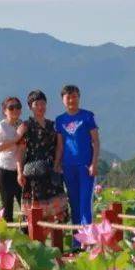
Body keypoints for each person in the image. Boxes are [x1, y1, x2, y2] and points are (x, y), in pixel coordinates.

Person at [17, 90, 67, 223]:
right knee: (35, 213)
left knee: (56, 213)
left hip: (51, 171)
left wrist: (57, 164)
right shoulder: (25, 126)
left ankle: (55, 236)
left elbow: (59, 146)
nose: (40, 107)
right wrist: (19, 172)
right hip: (33, 173)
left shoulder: (53, 125)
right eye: (36, 104)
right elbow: (20, 151)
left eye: (43, 103)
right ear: (30, 107)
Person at [54, 85, 100, 231]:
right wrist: (56, 164)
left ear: (79, 97)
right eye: (68, 97)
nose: (71, 100)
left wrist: (94, 163)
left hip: (85, 166)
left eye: (74, 96)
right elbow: (60, 145)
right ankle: (77, 240)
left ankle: (87, 239)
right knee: (74, 204)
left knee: (85, 204)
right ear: (62, 100)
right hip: (68, 166)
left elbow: (96, 141)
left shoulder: (87, 116)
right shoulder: (60, 120)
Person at [0, 97, 25, 222]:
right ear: (5, 111)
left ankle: (27, 233)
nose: (15, 110)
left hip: (20, 171)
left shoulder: (22, 125)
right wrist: (17, 137)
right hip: (4, 171)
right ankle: (8, 234)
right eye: (11, 107)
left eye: (18, 107)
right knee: (7, 209)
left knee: (25, 208)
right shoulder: (1, 126)